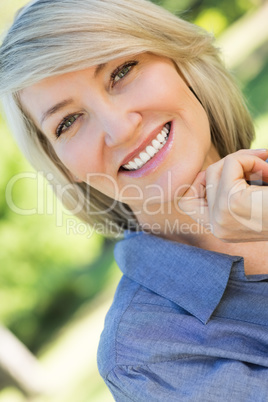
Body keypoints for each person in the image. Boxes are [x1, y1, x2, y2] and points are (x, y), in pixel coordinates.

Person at [1, 0, 268, 400]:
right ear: (63, 168)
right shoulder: (144, 358)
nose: (120, 128)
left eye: (121, 71)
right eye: (68, 122)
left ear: (177, 59)